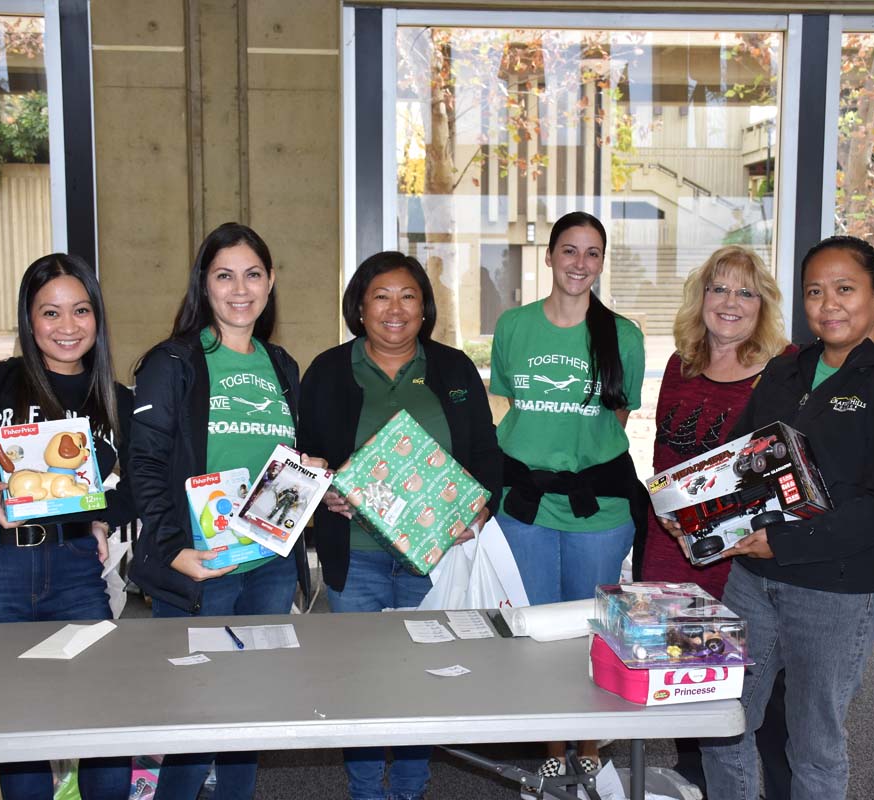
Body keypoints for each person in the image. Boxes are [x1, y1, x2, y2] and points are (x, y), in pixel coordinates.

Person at [670, 235, 874, 800]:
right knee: (721, 724)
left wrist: (784, 544)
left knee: (813, 744)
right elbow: (741, 461)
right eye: (815, 292)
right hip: (753, 582)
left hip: (837, 593)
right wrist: (695, 517)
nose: (829, 304)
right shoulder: (788, 371)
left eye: (845, 289)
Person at [0, 253, 133, 800]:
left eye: (81, 311)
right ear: (29, 319)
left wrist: (105, 518)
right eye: (50, 313)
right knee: (13, 722)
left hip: (73, 567)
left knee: (103, 715)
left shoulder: (115, 400)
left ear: (97, 317)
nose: (67, 327)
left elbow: (145, 483)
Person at [298, 251, 501, 800]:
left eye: (408, 296)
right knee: (360, 681)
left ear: (424, 308)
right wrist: (323, 498)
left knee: (424, 675)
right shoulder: (327, 371)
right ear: (360, 308)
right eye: (380, 296)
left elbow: (486, 456)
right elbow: (300, 458)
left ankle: (411, 787)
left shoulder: (453, 369)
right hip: (356, 553)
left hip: (431, 559)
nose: (395, 308)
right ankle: (366, 790)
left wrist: (479, 509)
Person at [129, 222, 315, 800]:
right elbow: (146, 464)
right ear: (204, 285)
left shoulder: (282, 364)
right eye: (224, 276)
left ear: (271, 281)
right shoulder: (174, 361)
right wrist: (174, 550)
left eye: (253, 274)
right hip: (203, 564)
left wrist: (303, 468)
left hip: (268, 563)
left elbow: (275, 460)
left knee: (248, 713)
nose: (241, 289)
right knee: (194, 714)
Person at [488, 211, 645, 777]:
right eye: (570, 251)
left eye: (592, 253)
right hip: (524, 505)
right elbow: (509, 406)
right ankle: (552, 751)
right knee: (533, 631)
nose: (580, 264)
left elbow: (617, 418)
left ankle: (589, 748)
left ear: (601, 262)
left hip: (597, 509)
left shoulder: (622, 335)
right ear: (550, 256)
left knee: (593, 631)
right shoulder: (512, 327)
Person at [641, 245, 793, 797]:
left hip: (740, 561)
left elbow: (788, 468)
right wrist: (672, 515)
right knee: (688, 679)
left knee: (755, 692)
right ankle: (694, 783)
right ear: (701, 297)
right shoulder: (682, 362)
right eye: (718, 288)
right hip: (669, 549)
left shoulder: (784, 367)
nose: (730, 302)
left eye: (745, 292)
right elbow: (664, 457)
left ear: (763, 304)